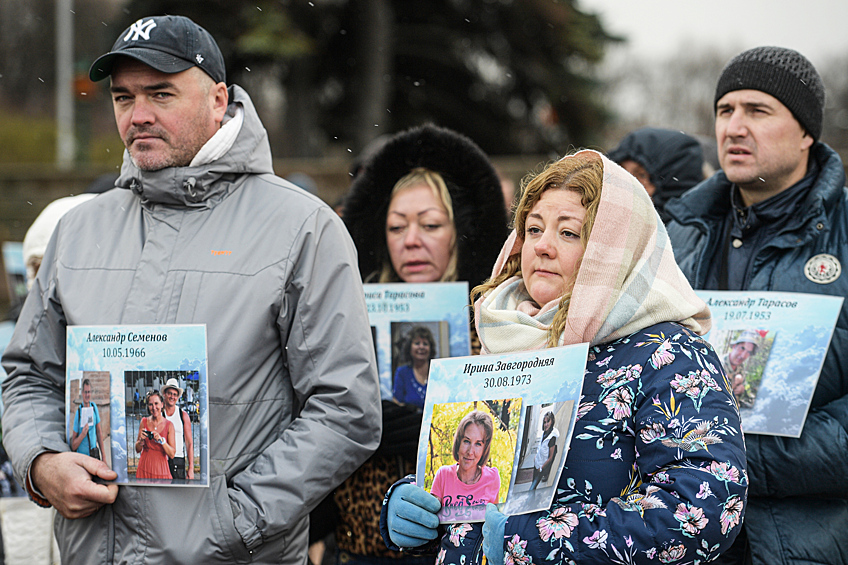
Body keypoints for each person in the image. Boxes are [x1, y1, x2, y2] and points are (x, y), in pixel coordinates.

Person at [0, 15, 380, 564]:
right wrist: (41, 462)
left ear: (218, 99)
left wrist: (235, 520)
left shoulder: (303, 228)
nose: (139, 115)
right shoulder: (79, 230)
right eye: (123, 97)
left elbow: (346, 407)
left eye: (161, 93)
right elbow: (29, 375)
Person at [381, 149, 747, 564]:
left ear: (614, 250)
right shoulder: (505, 335)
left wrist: (534, 542)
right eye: (533, 229)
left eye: (569, 233)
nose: (543, 247)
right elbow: (486, 477)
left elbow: (703, 508)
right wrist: (419, 506)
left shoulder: (668, 353)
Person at [664, 46, 848, 565]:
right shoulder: (677, 235)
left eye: (758, 111)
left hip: (806, 539)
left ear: (807, 132)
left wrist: (734, 457)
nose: (734, 128)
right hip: (679, 533)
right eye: (725, 111)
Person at [322, 124, 508, 564]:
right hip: (360, 547)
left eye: (430, 224)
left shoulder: (501, 321)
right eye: (396, 226)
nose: (411, 240)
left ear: (457, 231)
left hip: (463, 548)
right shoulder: (345, 316)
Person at [606, 127, 705, 224]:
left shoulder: (694, 237)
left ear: (671, 188)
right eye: (620, 170)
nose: (624, 182)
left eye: (642, 175)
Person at [430, 410, 500, 512]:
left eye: (478, 444)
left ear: (485, 449)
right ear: (458, 443)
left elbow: (494, 522)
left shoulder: (492, 478)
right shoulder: (443, 475)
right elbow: (432, 517)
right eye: (466, 441)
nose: (470, 451)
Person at [392, 326, 436, 408]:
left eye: (425, 344)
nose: (421, 347)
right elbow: (397, 402)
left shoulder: (438, 372)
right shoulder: (402, 372)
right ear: (409, 348)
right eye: (417, 343)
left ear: (430, 349)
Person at [134, 391, 175, 480]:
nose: (154, 407)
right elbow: (137, 450)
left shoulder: (169, 425)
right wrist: (141, 441)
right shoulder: (144, 422)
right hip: (144, 467)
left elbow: (172, 454)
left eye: (156, 403)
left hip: (161, 469)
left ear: (162, 404)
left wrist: (162, 441)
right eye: (150, 404)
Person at [161, 378, 194, 481]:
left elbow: (189, 443)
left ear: (178, 397)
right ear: (165, 395)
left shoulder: (183, 415)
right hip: (162, 459)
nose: (172, 397)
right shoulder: (160, 415)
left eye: (175, 394)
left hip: (178, 459)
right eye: (170, 393)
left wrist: (191, 468)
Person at [69, 379, 106, 463]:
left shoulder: (94, 407)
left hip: (93, 456)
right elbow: (74, 446)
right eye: (85, 392)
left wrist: (104, 456)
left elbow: (99, 432)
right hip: (82, 459)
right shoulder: (78, 413)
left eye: (89, 392)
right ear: (82, 393)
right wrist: (82, 434)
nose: (87, 395)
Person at [529, 411, 557, 490]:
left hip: (541, 468)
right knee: (532, 487)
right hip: (536, 464)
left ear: (552, 422)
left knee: (532, 488)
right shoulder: (544, 433)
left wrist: (541, 468)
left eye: (548, 421)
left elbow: (550, 457)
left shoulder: (552, 438)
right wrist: (535, 458)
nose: (546, 424)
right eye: (545, 422)